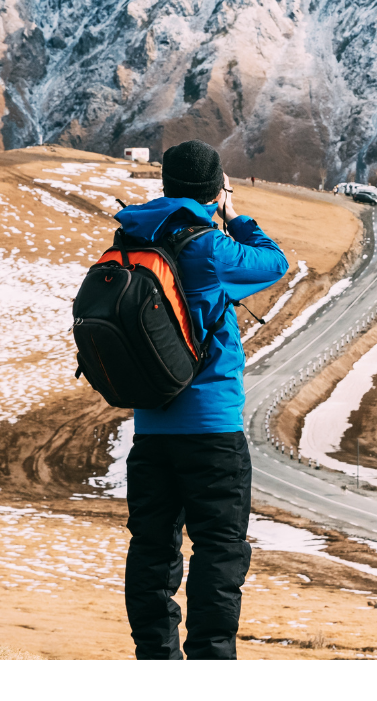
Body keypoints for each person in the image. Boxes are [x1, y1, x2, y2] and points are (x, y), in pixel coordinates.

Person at [118, 140, 289, 660]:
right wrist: (233, 215)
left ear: (167, 186)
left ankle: (157, 661)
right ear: (216, 189)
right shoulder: (209, 249)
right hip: (211, 430)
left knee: (151, 550)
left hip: (150, 428)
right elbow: (274, 262)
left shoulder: (132, 238)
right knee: (219, 551)